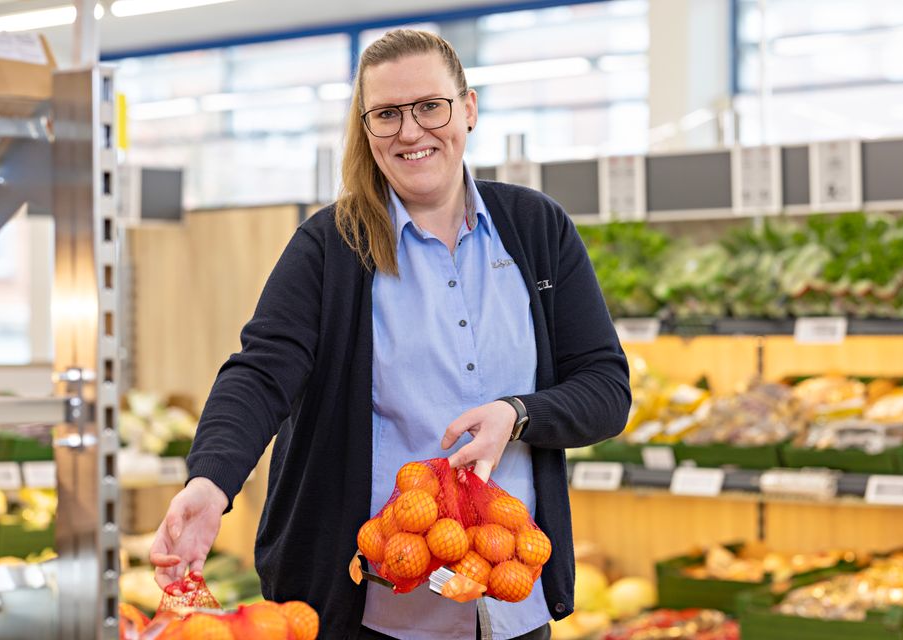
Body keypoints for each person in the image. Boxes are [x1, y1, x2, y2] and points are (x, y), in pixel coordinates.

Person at [149, 28, 630, 640]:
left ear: (469, 108)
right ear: (366, 126)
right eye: (387, 114)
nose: (410, 130)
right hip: (374, 612)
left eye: (430, 106)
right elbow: (263, 370)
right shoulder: (331, 245)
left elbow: (606, 387)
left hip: (511, 603)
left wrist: (518, 413)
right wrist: (209, 482)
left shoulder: (536, 229)